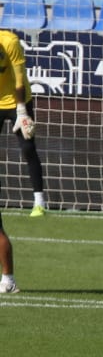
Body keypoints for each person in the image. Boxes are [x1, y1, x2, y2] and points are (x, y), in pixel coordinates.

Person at [0, 29, 48, 217]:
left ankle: (39, 202)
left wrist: (21, 111)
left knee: (28, 148)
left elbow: (19, 79)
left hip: (17, 100)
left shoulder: (10, 41)